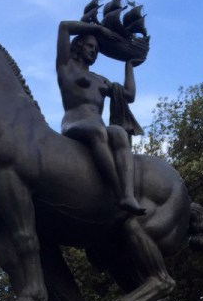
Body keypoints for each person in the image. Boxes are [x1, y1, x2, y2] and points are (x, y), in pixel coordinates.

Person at [56, 20, 145, 216]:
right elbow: (64, 27)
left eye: (97, 49)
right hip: (74, 123)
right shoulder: (66, 67)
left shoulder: (100, 80)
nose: (94, 51)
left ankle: (128, 195)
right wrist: (98, 29)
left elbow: (129, 95)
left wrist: (129, 66)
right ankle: (117, 191)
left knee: (119, 133)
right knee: (98, 132)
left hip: (99, 127)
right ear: (78, 46)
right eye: (90, 46)